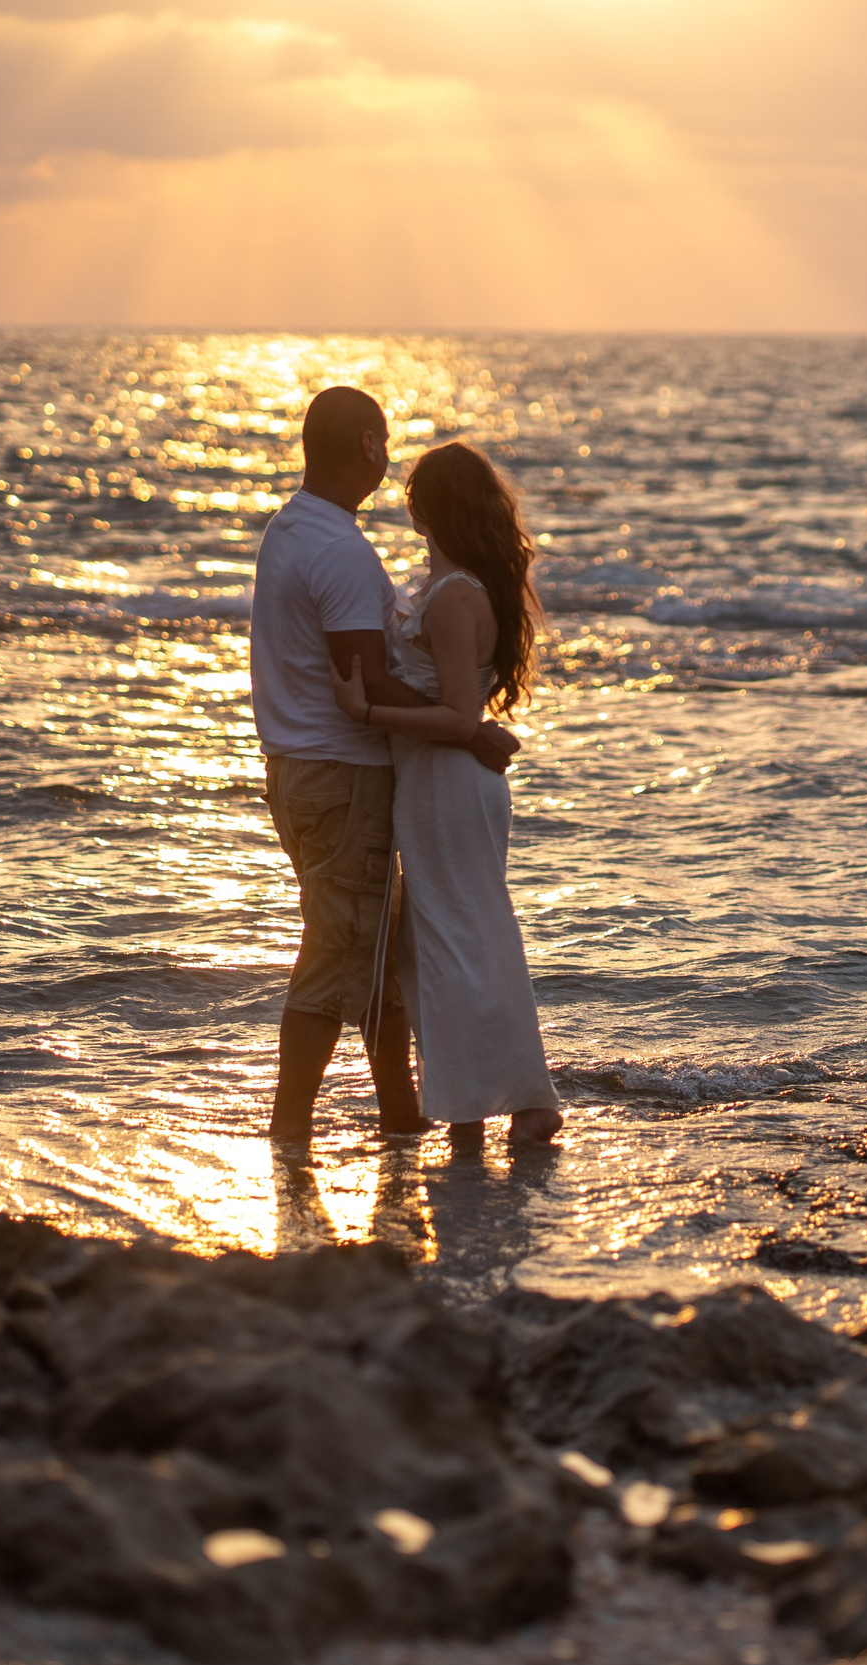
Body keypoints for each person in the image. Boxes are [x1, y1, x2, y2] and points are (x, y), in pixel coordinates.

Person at [251, 387, 515, 1149]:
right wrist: (470, 732)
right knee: (340, 951)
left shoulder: (292, 528)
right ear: (368, 444)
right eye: (385, 439)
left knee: (375, 953)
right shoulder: (338, 548)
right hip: (341, 776)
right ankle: (289, 1131)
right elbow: (365, 681)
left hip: (304, 768)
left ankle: (402, 1116)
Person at [333, 441, 562, 1148]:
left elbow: (461, 717)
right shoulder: (451, 585)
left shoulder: (457, 597)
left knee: (462, 941)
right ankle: (480, 1102)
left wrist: (367, 712)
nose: (406, 504)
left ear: (429, 508)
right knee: (444, 941)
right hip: (436, 783)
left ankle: (507, 1105)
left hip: (449, 784)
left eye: (413, 494)